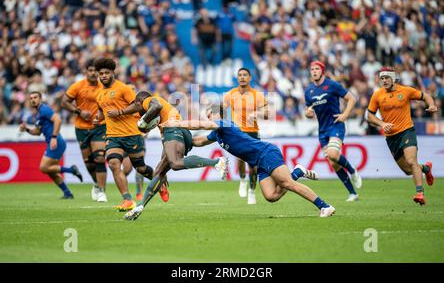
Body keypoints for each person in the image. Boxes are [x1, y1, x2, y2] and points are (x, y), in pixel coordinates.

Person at [125, 103, 334, 220]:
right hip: (259, 162)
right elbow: (197, 141)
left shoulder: (224, 123)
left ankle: (324, 206)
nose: (208, 117)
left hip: (266, 153)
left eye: (210, 115)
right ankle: (297, 171)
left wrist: (178, 123)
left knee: (287, 184)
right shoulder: (218, 134)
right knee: (271, 196)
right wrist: (175, 132)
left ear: (217, 114)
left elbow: (201, 125)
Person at [109, 90, 228, 214]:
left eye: (136, 106)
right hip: (180, 132)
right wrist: (163, 164)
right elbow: (166, 141)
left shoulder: (149, 100)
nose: (137, 111)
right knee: (158, 173)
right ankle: (140, 206)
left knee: (175, 164)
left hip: (175, 129)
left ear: (139, 102)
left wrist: (143, 121)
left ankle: (217, 162)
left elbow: (156, 106)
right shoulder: (162, 116)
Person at [367, 67, 436, 205]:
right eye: (382, 78)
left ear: (393, 78)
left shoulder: (406, 90)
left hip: (406, 131)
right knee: (407, 170)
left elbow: (424, 96)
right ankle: (426, 168)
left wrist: (432, 104)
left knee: (411, 161)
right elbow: (369, 116)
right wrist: (382, 124)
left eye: (387, 78)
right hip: (391, 137)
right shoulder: (377, 95)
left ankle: (420, 193)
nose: (384, 81)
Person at [94, 58, 154, 211]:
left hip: (131, 134)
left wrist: (119, 112)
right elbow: (102, 110)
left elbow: (138, 105)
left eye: (107, 73)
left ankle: (160, 180)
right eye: (101, 73)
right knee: (114, 164)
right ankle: (127, 200)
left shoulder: (123, 88)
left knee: (140, 168)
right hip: (113, 136)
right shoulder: (99, 93)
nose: (104, 76)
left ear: (113, 73)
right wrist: (97, 119)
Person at [304, 61, 362, 202]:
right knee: (334, 162)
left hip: (336, 125)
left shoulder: (332, 85)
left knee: (332, 154)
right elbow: (308, 110)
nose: (314, 71)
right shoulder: (309, 91)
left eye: (317, 69)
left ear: (322, 71)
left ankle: (352, 170)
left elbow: (351, 98)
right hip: (322, 130)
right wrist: (308, 113)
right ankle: (353, 193)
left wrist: (345, 114)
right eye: (312, 69)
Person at [19, 91, 83, 199]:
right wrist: (26, 129)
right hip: (53, 142)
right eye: (31, 98)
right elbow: (38, 132)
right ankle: (67, 193)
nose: (33, 100)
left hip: (56, 141)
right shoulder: (38, 113)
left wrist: (53, 137)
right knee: (51, 171)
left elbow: (57, 120)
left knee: (44, 168)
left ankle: (72, 170)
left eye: (35, 97)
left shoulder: (44, 109)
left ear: (40, 99)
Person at [61, 59, 108, 202]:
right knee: (89, 162)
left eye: (96, 71)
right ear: (86, 72)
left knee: (99, 157)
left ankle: (101, 191)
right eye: (91, 70)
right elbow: (64, 102)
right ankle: (97, 184)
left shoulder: (105, 86)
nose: (93, 73)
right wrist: (79, 112)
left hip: (100, 126)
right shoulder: (78, 86)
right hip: (81, 128)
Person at [223, 67, 268, 204]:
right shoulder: (231, 94)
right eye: (240, 75)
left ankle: (252, 191)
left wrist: (258, 113)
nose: (242, 77)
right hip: (237, 131)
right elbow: (221, 108)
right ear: (237, 78)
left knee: (253, 165)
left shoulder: (257, 95)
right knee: (240, 158)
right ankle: (242, 180)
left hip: (252, 131)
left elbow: (266, 113)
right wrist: (210, 110)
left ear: (250, 78)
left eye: (245, 75)